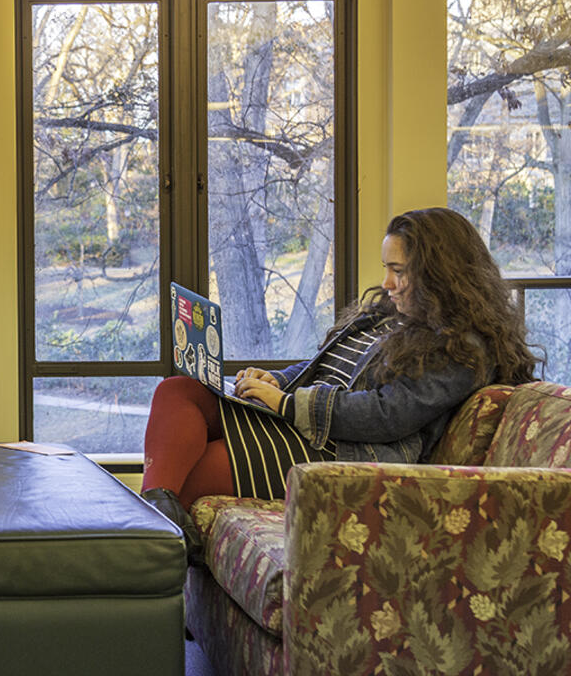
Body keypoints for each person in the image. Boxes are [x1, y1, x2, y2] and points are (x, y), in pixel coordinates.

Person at [140, 207, 539, 560]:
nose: (386, 282)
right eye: (387, 268)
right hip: (302, 426)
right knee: (177, 391)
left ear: (440, 275)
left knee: (191, 476)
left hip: (340, 450)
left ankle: (147, 549)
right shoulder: (388, 316)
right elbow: (326, 365)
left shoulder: (461, 348)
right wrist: (277, 380)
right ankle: (153, 519)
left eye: (399, 271)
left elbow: (388, 414)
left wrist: (285, 403)